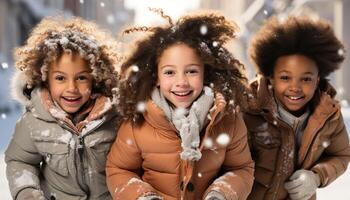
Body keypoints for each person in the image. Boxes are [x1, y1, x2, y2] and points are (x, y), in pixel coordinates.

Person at [106, 10, 254, 200]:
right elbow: (119, 169)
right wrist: (142, 196)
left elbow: (241, 168)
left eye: (191, 71)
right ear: (156, 77)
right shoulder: (138, 122)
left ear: (205, 73)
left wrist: (222, 193)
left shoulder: (228, 120)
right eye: (169, 72)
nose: (181, 82)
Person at [5, 16, 120, 200]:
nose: (72, 88)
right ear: (45, 79)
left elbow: (130, 164)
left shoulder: (113, 117)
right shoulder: (35, 119)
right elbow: (21, 161)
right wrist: (28, 194)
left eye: (81, 78)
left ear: (96, 77)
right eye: (60, 78)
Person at [244, 16, 350, 200]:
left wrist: (317, 176)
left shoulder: (328, 115)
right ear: (271, 77)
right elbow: (230, 162)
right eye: (285, 78)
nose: (295, 87)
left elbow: (341, 155)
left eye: (306, 79)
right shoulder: (249, 109)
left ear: (318, 79)